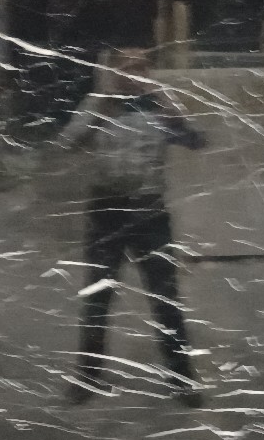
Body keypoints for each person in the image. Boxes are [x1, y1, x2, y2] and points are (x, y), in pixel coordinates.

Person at [59, 47, 206, 406]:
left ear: (149, 72)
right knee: (97, 298)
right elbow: (67, 142)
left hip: (150, 213)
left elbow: (195, 142)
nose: (134, 74)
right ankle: (87, 379)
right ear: (113, 72)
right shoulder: (99, 104)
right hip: (106, 212)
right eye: (126, 68)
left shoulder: (160, 107)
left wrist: (172, 114)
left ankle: (182, 381)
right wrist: (100, 107)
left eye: (141, 68)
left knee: (165, 298)